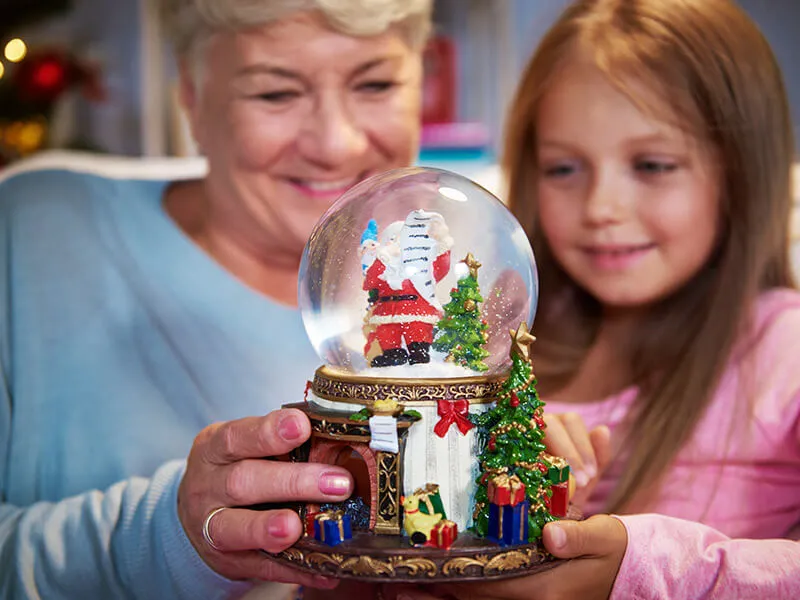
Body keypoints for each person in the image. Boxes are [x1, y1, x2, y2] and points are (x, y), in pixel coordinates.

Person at [0, 0, 433, 597]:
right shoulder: (29, 234)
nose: (336, 143)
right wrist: (170, 535)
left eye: (377, 83)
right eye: (276, 94)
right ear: (192, 97)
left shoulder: (457, 287)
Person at [388, 0, 800, 598]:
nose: (601, 207)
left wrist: (639, 569)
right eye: (563, 169)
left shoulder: (784, 351)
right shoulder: (497, 335)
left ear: (741, 172)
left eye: (653, 165)